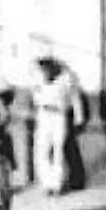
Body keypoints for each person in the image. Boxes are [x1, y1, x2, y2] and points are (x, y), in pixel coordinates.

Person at [32, 56, 85, 196]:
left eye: (47, 67)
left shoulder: (67, 78)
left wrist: (79, 119)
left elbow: (75, 99)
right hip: (43, 115)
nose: (45, 71)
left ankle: (56, 185)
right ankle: (46, 183)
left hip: (59, 116)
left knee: (58, 150)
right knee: (41, 150)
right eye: (42, 67)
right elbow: (35, 95)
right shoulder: (38, 77)